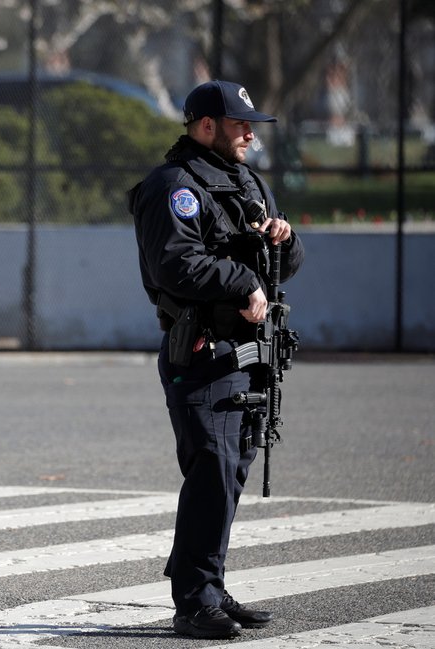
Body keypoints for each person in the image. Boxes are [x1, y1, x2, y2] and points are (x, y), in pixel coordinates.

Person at [128, 80, 305, 639]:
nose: (250, 134)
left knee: (231, 473)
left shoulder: (247, 181)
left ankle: (209, 585)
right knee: (211, 467)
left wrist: (283, 238)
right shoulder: (174, 186)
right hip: (201, 350)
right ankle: (192, 602)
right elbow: (173, 265)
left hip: (248, 354)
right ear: (206, 126)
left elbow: (287, 264)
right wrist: (243, 280)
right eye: (239, 125)